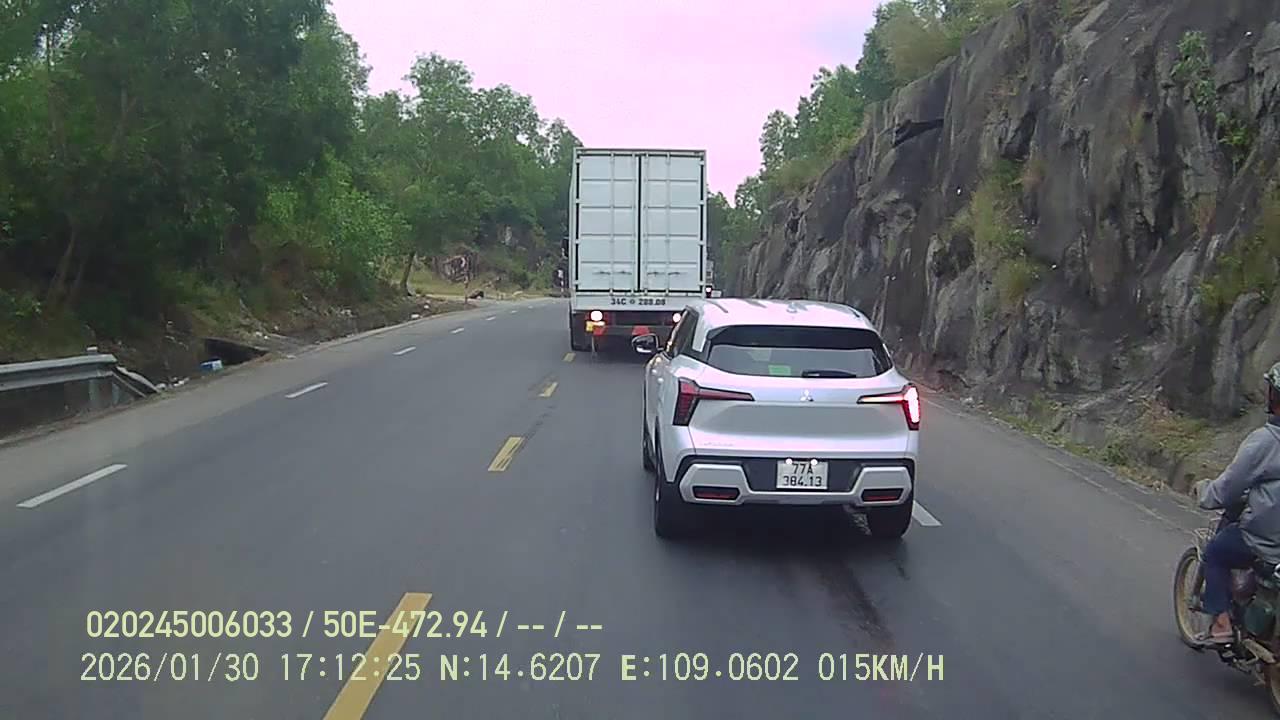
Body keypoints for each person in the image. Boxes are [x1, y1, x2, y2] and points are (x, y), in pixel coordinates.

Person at [1193, 361, 1280, 644]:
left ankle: (1221, 624)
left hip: (1267, 541)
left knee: (1216, 552)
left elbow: (1230, 486)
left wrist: (1205, 494)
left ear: (1273, 397)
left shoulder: (1266, 441)